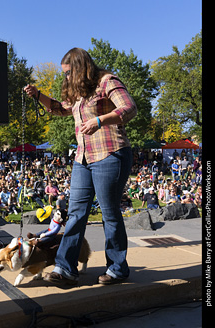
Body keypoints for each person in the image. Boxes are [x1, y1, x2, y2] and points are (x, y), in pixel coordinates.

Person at [24, 47, 136, 285]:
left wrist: (99, 120)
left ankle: (117, 268)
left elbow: (128, 108)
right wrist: (38, 95)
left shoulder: (107, 81)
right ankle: (65, 268)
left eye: (67, 73)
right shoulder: (79, 92)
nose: (65, 78)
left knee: (110, 213)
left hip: (111, 153)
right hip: (83, 158)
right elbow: (59, 108)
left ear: (80, 68)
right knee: (75, 213)